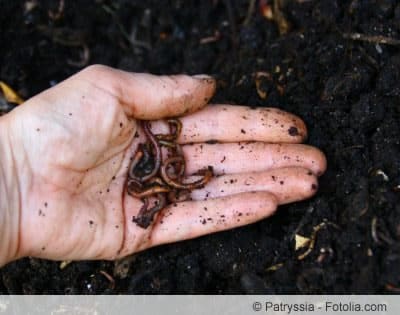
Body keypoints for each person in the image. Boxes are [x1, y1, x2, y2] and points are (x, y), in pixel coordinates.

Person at [0, 65, 326, 267]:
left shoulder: (161, 169)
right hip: (158, 172)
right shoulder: (153, 174)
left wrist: (15, 168)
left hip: (160, 171)